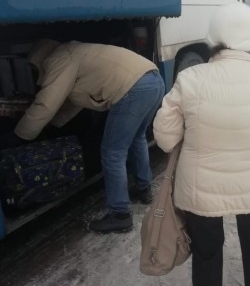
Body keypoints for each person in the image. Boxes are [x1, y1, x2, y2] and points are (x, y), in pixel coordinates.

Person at [153, 2, 250, 286]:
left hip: (200, 188)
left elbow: (164, 137)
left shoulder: (189, 78)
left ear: (213, 39)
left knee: (206, 251)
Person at [1, 39, 165, 234]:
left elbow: (46, 103)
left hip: (133, 89)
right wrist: (52, 126)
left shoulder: (59, 59)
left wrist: (21, 135)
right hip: (154, 80)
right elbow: (74, 101)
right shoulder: (75, 53)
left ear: (39, 59)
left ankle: (120, 215)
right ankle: (144, 188)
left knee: (112, 152)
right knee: (137, 138)